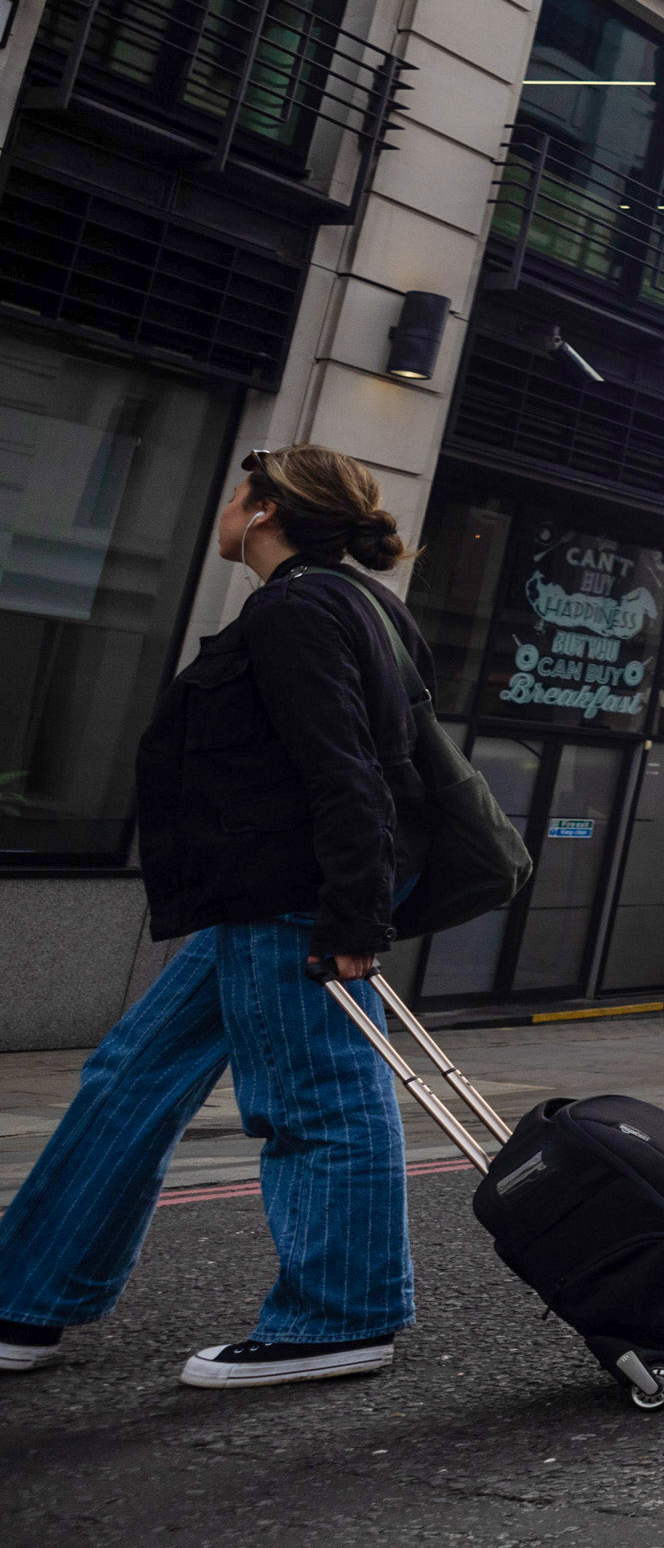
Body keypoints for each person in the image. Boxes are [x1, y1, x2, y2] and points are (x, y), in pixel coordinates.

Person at [0, 448, 430, 1389]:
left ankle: (339, 1319)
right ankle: (25, 1299)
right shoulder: (349, 604)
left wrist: (351, 917)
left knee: (317, 1098)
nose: (225, 510)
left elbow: (348, 770)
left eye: (238, 496)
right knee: (130, 1074)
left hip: (299, 898)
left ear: (266, 509)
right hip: (264, 894)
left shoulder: (304, 607)